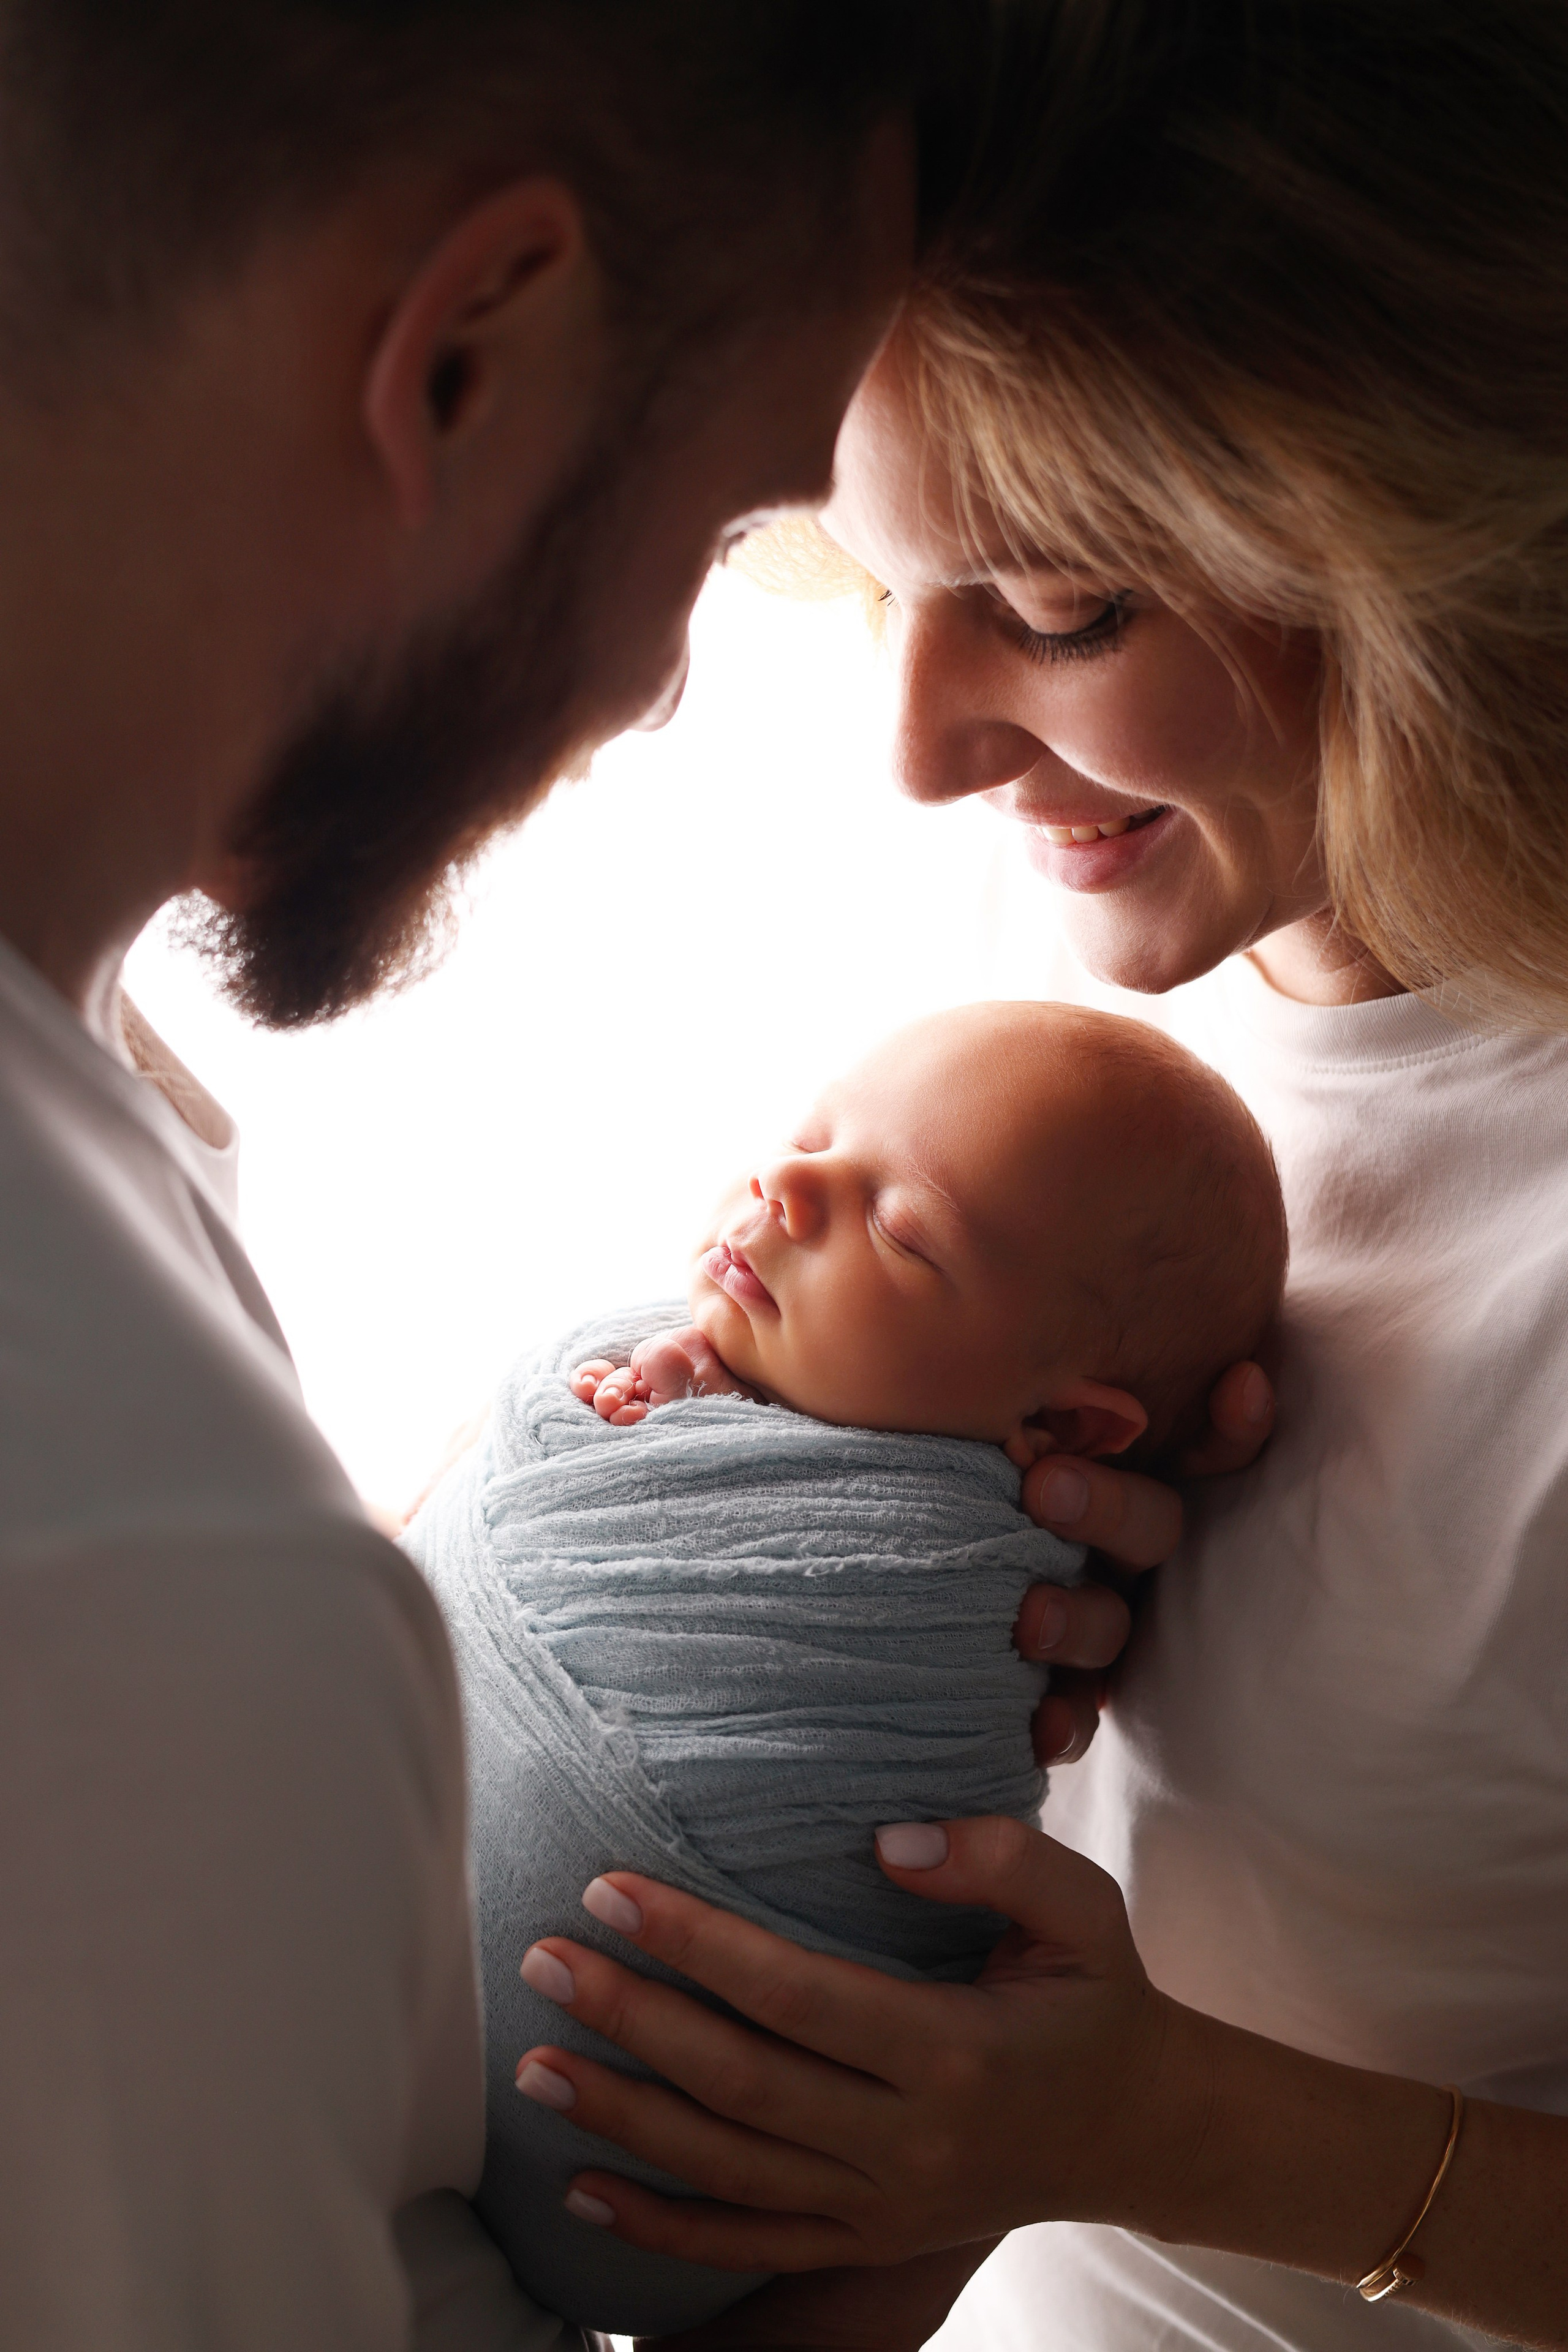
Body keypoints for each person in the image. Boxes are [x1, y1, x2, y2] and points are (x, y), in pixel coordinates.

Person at [494, 6, 1568, 2348]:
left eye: (1069, 608)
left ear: (1430, 543)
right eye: (884, 577)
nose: (919, 744)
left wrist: (1162, 2129)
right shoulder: (1084, 893)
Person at [0, 8, 1070, 2348]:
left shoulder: (100, 1196)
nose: (660, 679)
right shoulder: (128, 1567)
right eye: (724, 522)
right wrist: (963, 2178)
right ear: (472, 349)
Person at [399, 1002, 1285, 2337]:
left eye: (901, 1230)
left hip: (618, 2164)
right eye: (811, 1137)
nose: (786, 1185)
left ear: (1059, 1424)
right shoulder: (676, 1362)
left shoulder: (957, 1573)